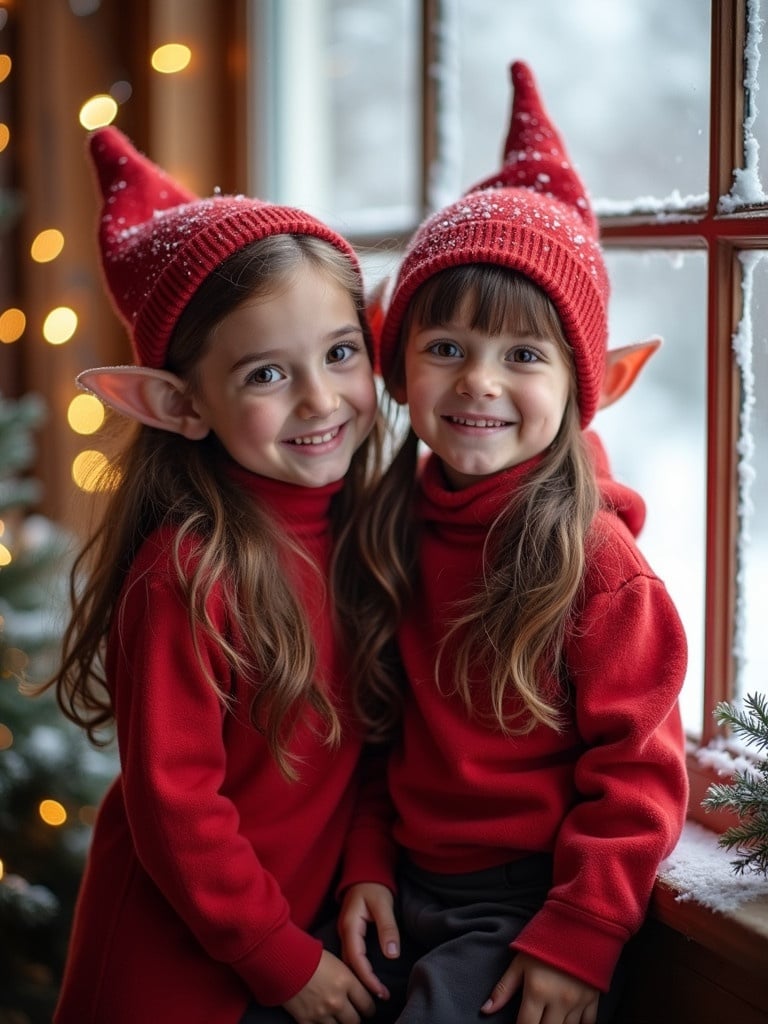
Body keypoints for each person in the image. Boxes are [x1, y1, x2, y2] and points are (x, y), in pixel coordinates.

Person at [336, 61, 689, 1024]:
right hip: (403, 883)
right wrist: (364, 864)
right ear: (397, 368)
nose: (480, 382)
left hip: (533, 905)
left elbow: (642, 774)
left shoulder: (597, 567)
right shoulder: (391, 523)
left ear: (585, 385)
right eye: (446, 346)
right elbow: (378, 729)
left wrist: (580, 936)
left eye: (523, 356)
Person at [41, 126, 391, 1024]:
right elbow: (174, 806)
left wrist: (366, 866)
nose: (319, 399)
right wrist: (277, 957)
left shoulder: (368, 529)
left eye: (340, 353)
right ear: (177, 404)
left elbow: (365, 750)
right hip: (171, 971)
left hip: (295, 943)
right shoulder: (188, 574)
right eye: (269, 372)